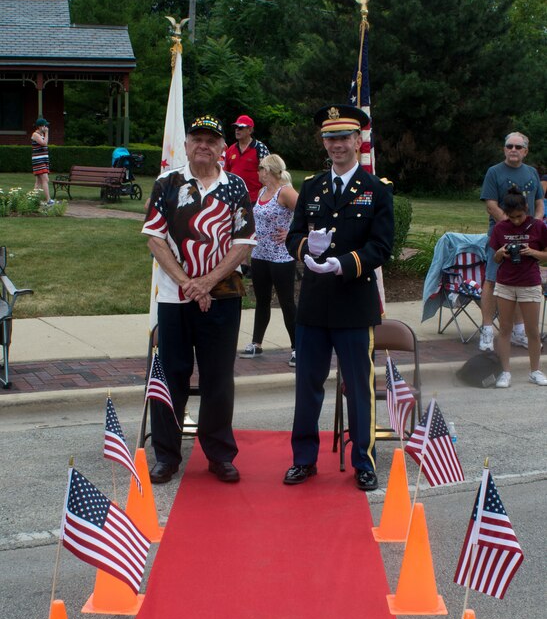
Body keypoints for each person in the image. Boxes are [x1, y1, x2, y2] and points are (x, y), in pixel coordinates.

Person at [283, 104, 394, 491]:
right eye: (330, 138)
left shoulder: (376, 190)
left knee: (358, 387)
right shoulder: (312, 187)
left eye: (344, 138)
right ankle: (303, 459)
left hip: (353, 304)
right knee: (307, 385)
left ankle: (363, 460)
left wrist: (343, 264)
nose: (337, 145)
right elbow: (292, 236)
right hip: (313, 304)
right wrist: (307, 251)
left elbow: (381, 247)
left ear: (359, 141)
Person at [142, 115, 256, 484]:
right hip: (175, 300)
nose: (204, 145)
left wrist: (205, 283)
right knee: (170, 375)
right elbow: (155, 239)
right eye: (197, 139)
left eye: (212, 140)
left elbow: (243, 244)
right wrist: (188, 284)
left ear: (223, 147)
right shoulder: (168, 183)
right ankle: (167, 456)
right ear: (187, 144)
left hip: (222, 297)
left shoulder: (235, 186)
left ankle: (220, 454)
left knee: (218, 378)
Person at [479, 132, 544, 352]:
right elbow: (491, 204)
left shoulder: (532, 172)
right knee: (491, 279)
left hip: (528, 237)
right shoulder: (494, 172)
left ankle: (518, 332)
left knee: (521, 282)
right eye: (509, 146)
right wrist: (510, 227)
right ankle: (487, 330)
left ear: (526, 151)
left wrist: (534, 226)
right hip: (499, 235)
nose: (513, 150)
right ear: (504, 149)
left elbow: (539, 203)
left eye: (518, 147)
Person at [239, 154, 299, 367]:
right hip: (260, 255)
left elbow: (307, 212)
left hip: (281, 256)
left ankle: (297, 347)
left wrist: (292, 233)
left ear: (270, 171)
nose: (258, 172)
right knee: (262, 300)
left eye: (261, 168)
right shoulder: (263, 192)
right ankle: (257, 342)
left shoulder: (286, 192)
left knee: (286, 302)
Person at [490, 187, 547, 388]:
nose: (515, 221)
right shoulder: (500, 228)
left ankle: (535, 371)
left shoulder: (538, 226)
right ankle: (505, 372)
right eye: (512, 217)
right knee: (505, 329)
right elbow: (495, 258)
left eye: (520, 216)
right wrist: (500, 253)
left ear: (527, 210)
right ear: (506, 213)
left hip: (529, 283)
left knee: (532, 330)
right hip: (505, 283)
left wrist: (532, 252)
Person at [224, 115, 269, 203]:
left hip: (254, 198)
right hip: (234, 197)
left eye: (240, 127)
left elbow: (268, 173)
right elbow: (226, 173)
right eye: (236, 127)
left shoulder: (260, 148)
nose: (237, 130)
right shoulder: (230, 150)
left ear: (250, 130)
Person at [31, 118, 53, 204]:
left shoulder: (42, 134)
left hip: (43, 159)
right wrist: (47, 133)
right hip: (38, 160)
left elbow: (45, 143)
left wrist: (45, 133)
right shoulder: (35, 134)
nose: (46, 127)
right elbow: (44, 143)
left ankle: (32, 200)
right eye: (44, 125)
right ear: (40, 126)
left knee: (38, 182)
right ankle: (48, 200)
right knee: (45, 179)